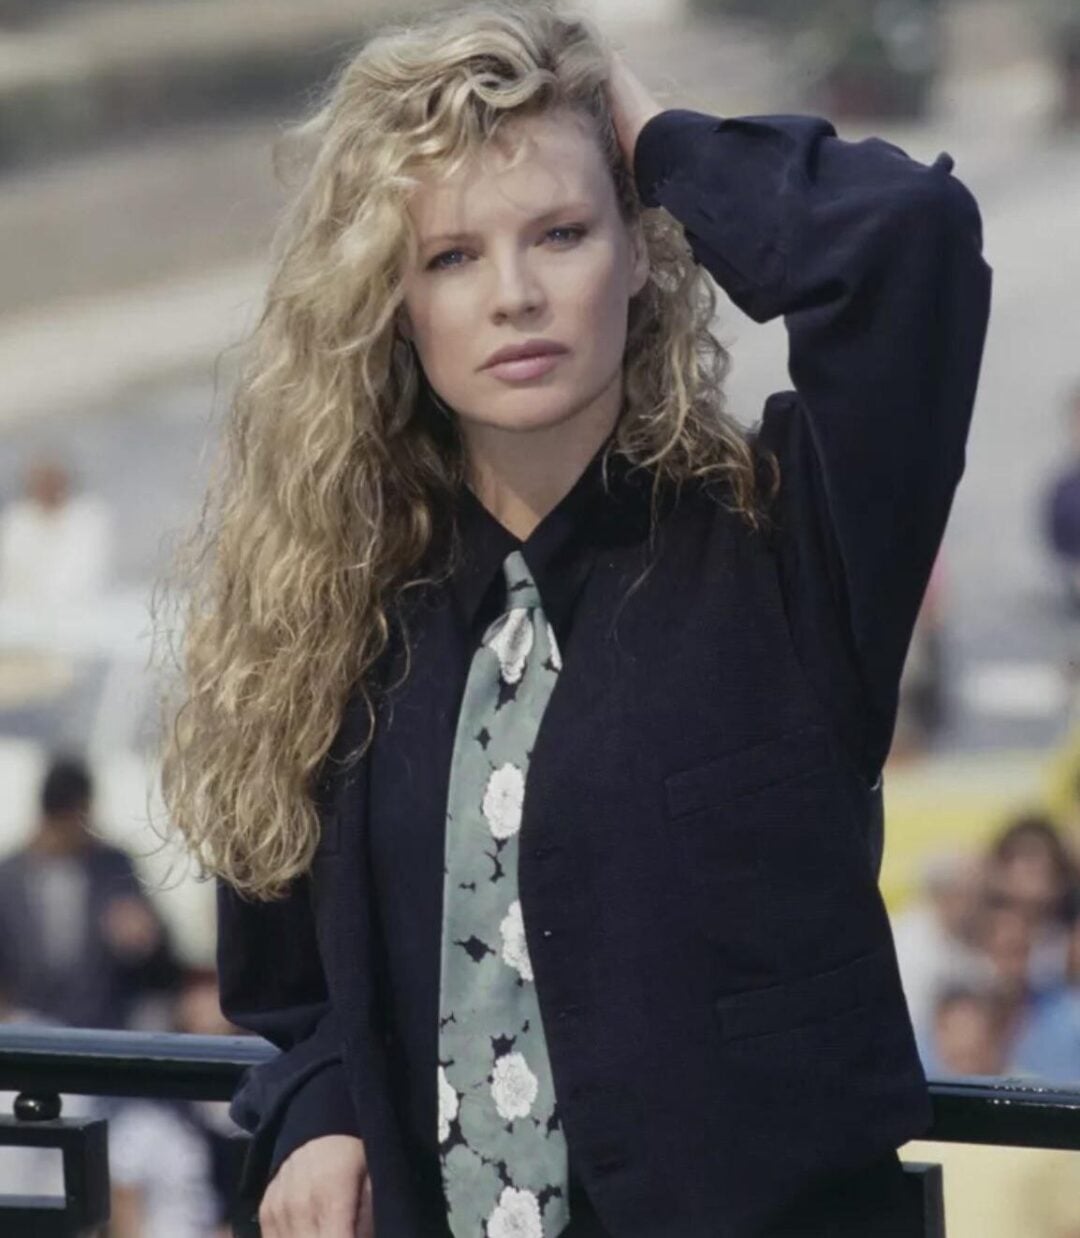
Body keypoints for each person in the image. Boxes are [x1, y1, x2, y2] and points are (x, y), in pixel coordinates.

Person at [158, 3, 992, 1235]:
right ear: (395, 299)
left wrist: (654, 137)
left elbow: (907, 245)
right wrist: (320, 1107)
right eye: (452, 255)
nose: (515, 295)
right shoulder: (330, 605)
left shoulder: (784, 544)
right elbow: (294, 981)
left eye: (561, 232)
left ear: (641, 249)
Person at [0, 754, 182, 1031]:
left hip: (103, 1031)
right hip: (26, 1032)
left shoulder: (114, 867)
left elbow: (161, 964)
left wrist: (146, 940)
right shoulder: (8, 879)